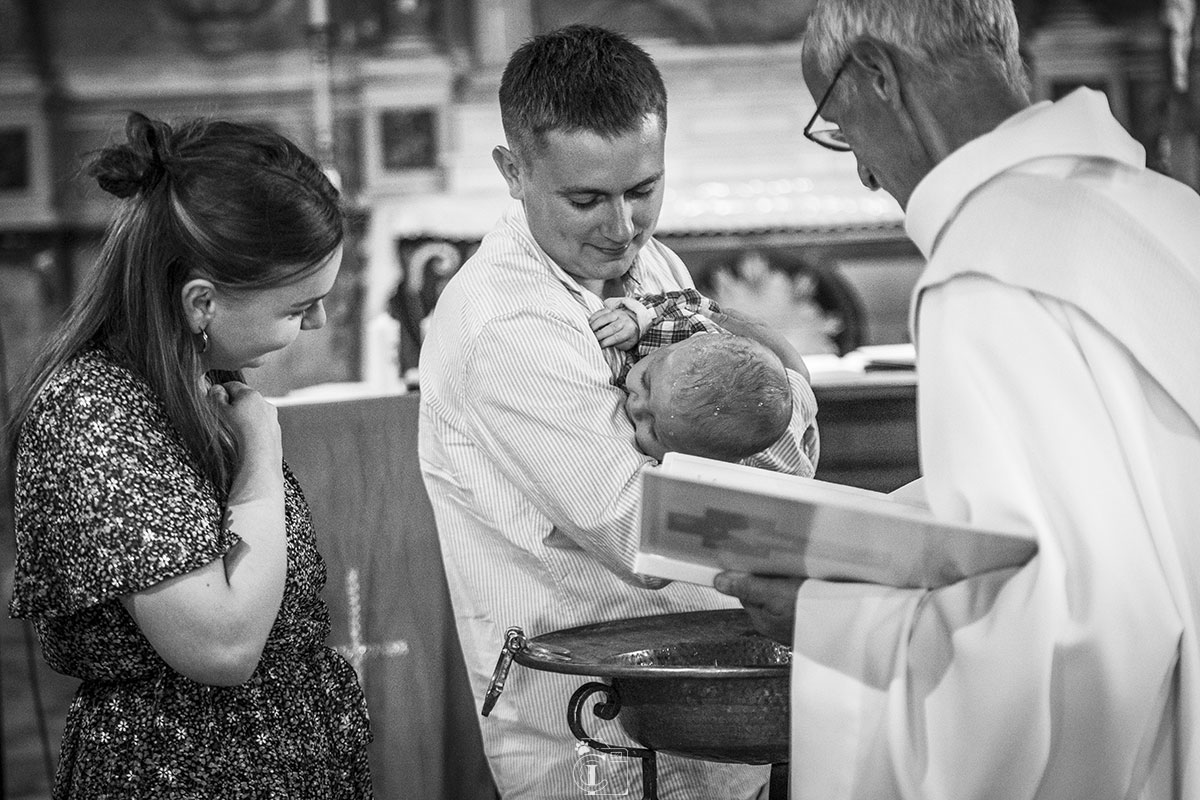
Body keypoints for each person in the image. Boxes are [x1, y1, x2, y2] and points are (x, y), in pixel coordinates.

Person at [714, 2, 1200, 798]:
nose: (865, 172)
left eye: (843, 128)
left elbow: (1051, 647)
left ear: (878, 76)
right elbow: (1116, 506)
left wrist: (828, 620)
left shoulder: (988, 271)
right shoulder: (1169, 212)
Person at [418, 24, 819, 799]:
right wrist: (789, 404)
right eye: (585, 199)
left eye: (643, 190)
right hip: (595, 732)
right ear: (513, 170)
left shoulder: (647, 264)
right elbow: (645, 532)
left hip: (711, 702)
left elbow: (780, 444)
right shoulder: (505, 325)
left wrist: (779, 401)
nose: (622, 227)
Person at [5, 112, 372, 798]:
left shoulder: (198, 385)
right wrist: (261, 459)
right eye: (300, 306)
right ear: (202, 302)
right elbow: (222, 647)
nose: (318, 323)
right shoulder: (94, 412)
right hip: (185, 774)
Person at [590, 289, 811, 465]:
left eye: (653, 428)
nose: (636, 406)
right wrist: (636, 318)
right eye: (646, 381)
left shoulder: (706, 468)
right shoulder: (687, 332)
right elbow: (688, 302)